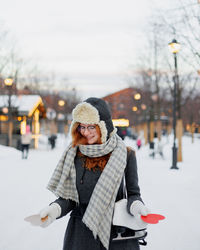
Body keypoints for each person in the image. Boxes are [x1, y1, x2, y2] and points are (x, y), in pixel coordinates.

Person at [39, 97, 149, 250]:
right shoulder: (74, 154)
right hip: (81, 235)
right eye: (82, 127)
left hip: (115, 235)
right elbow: (70, 199)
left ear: (104, 126)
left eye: (91, 127)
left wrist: (137, 206)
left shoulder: (126, 155)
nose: (86, 132)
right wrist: (54, 210)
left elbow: (133, 194)